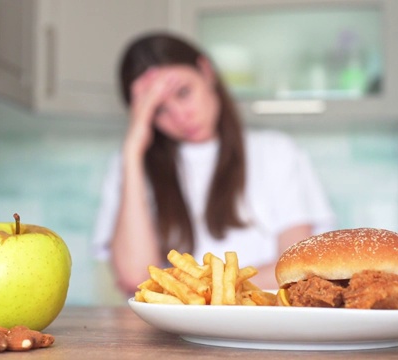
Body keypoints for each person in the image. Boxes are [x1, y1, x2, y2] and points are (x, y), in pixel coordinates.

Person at [92, 32, 335, 295]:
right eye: (158, 109)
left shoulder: (276, 152)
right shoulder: (130, 166)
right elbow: (135, 279)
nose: (180, 115)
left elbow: (297, 270)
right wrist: (132, 150)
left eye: (183, 93)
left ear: (206, 71)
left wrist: (203, 295)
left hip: (266, 326)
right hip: (170, 333)